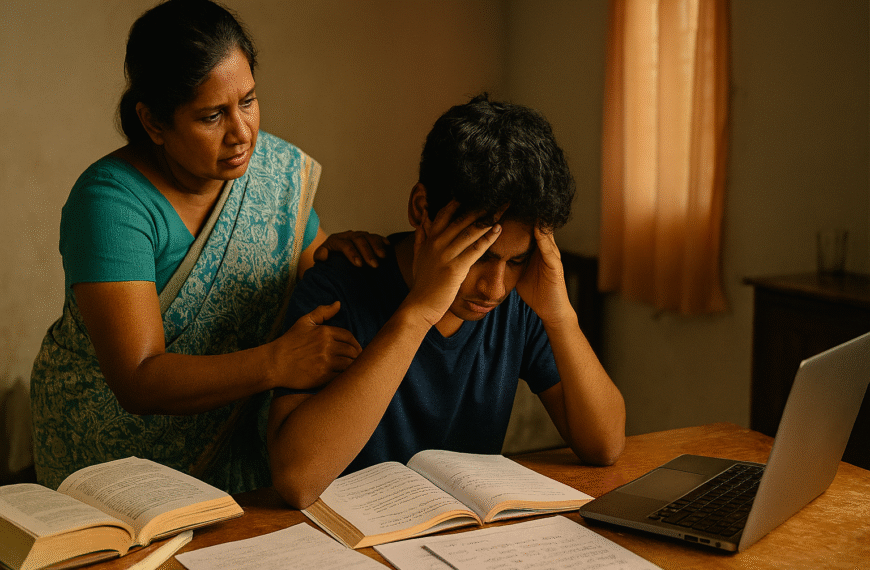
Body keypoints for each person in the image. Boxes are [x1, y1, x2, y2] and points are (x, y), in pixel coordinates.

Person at [30, 0, 386, 493]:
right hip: (110, 467)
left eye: (247, 101)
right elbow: (138, 378)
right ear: (154, 122)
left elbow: (313, 287)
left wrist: (347, 261)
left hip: (238, 463)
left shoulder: (273, 177)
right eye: (211, 116)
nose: (242, 133)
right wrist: (276, 362)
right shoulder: (111, 203)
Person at [268, 94, 626, 509]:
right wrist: (418, 313)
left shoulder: (522, 300)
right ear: (422, 208)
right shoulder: (338, 288)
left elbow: (605, 445)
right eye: (478, 255)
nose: (494, 288)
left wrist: (560, 316)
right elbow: (296, 480)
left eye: (516, 260)